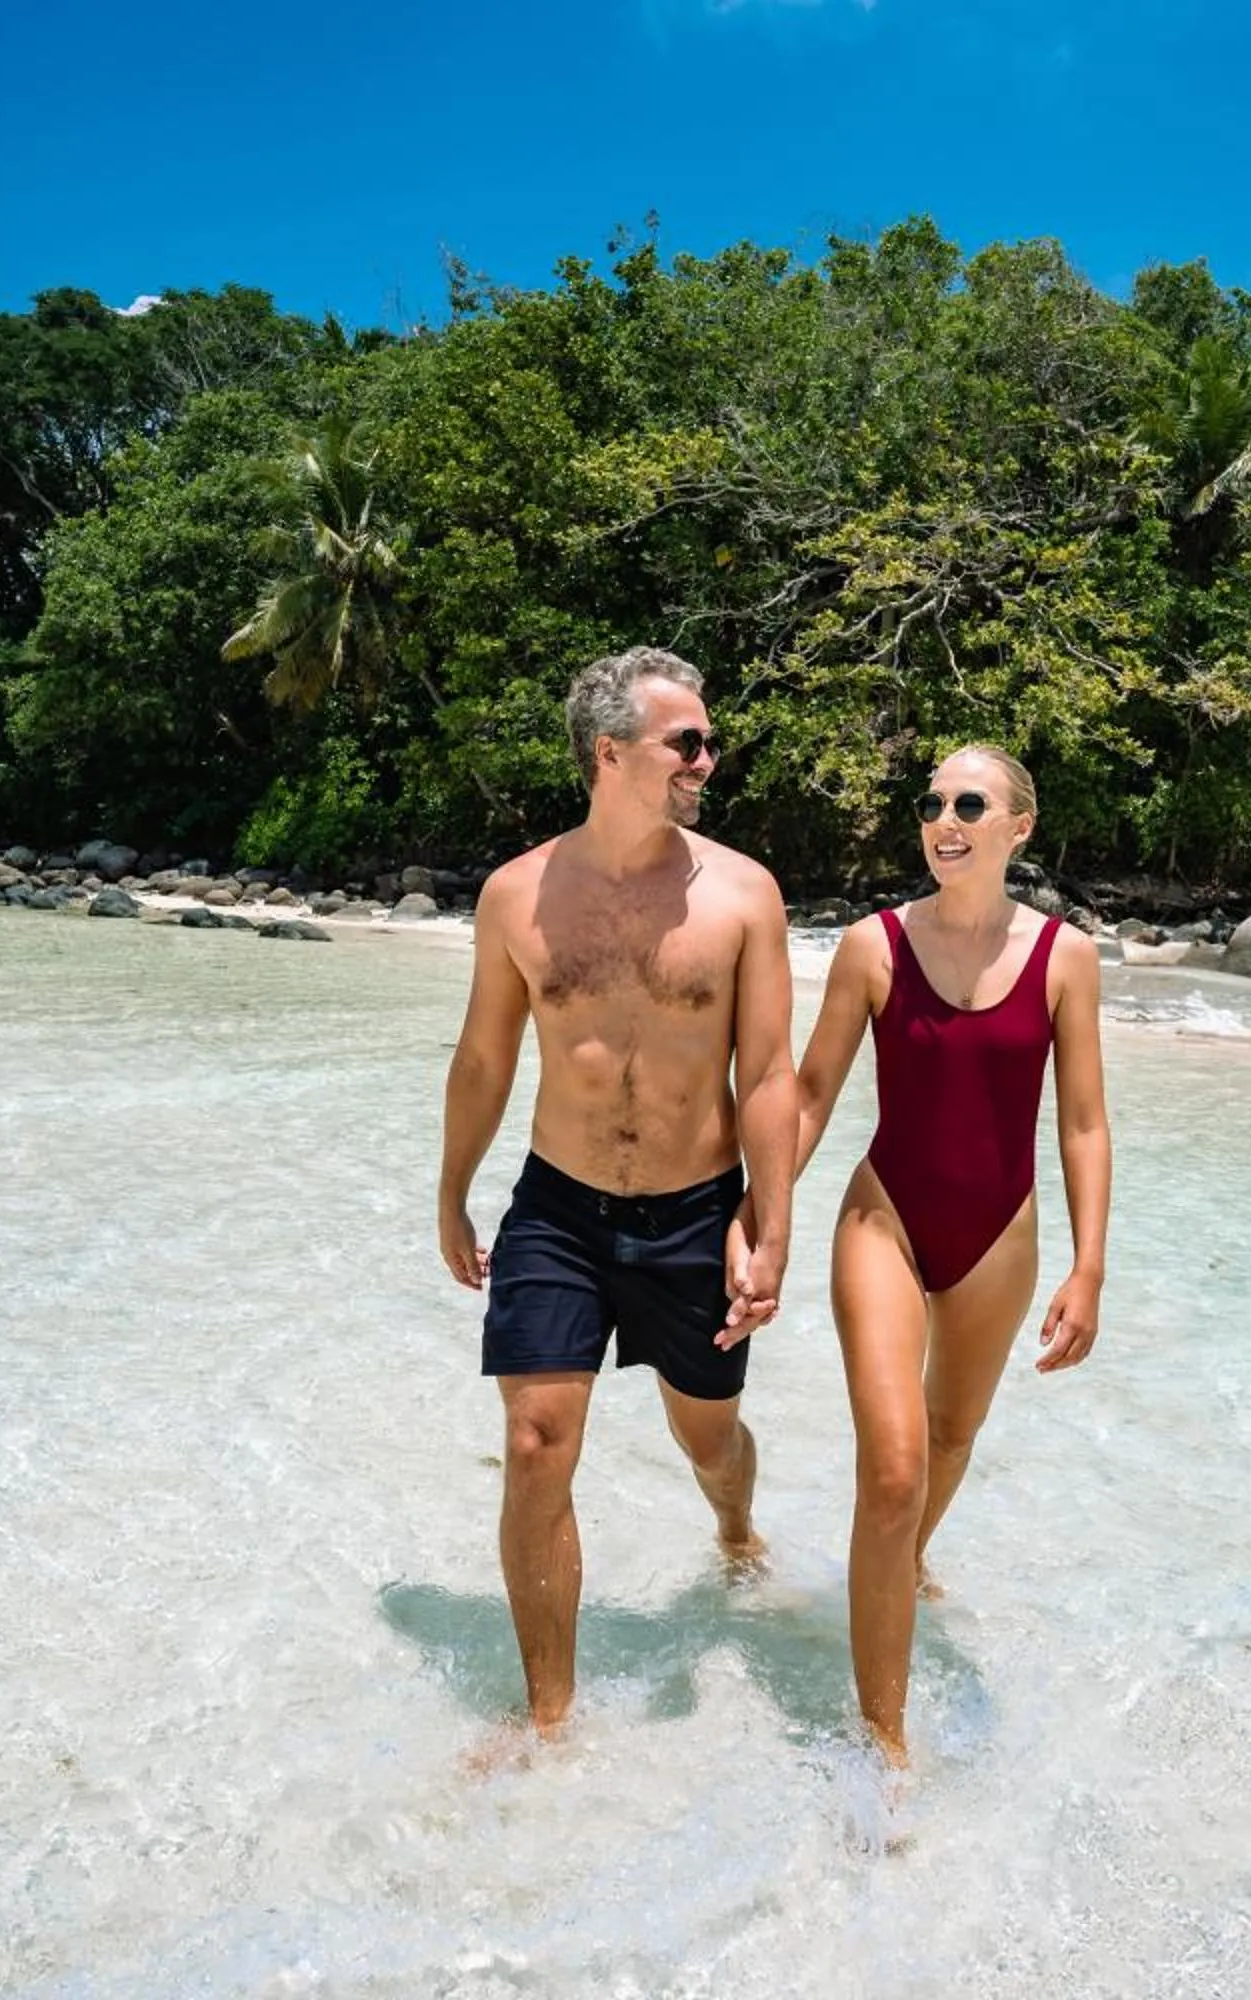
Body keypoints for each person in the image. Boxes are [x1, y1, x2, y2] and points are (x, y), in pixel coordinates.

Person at [437, 645, 798, 1742]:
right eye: (686, 740)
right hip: (559, 1209)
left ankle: (735, 1523)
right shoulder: (517, 894)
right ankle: (548, 1718)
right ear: (610, 752)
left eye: (707, 739)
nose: (707, 757)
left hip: (696, 1211)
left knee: (707, 1437)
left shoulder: (742, 893)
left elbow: (770, 1074)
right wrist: (451, 1192)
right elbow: (484, 1059)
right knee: (539, 1437)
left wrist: (768, 1227)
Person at [790, 744, 1110, 1767]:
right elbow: (808, 1096)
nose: (944, 817)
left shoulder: (1067, 958)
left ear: (1019, 824)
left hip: (1000, 1236)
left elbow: (1085, 1125)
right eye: (932, 802)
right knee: (892, 1469)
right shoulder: (872, 947)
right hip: (882, 1217)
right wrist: (756, 1216)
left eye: (969, 801)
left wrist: (1088, 1266)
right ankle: (883, 1737)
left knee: (951, 1433)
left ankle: (904, 1561)